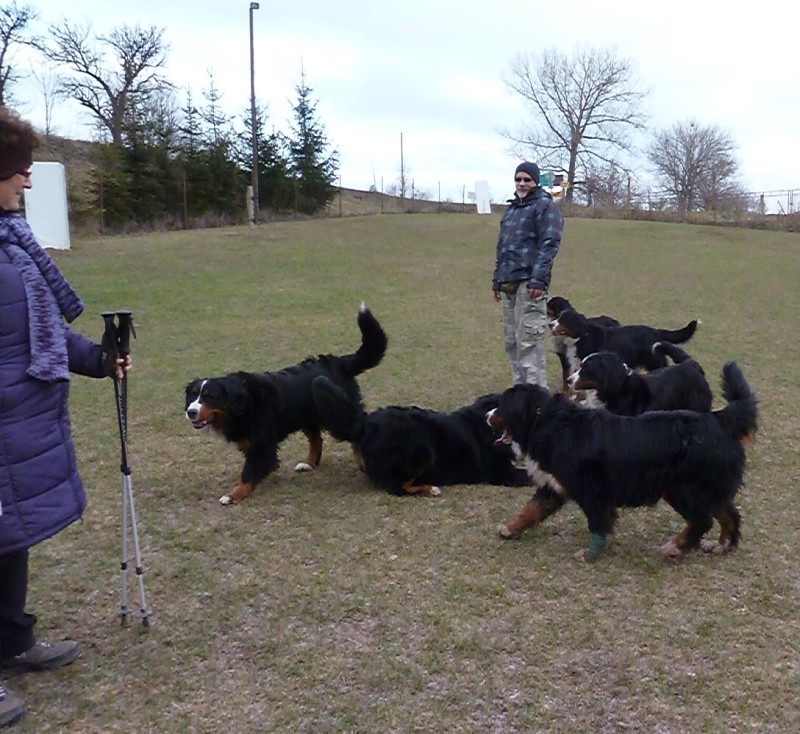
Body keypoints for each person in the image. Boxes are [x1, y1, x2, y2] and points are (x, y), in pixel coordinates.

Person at [0, 107, 131, 728]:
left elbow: (39, 334)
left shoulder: (13, 244)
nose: (27, 181)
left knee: (11, 537)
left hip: (18, 425)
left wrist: (99, 361)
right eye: (18, 170)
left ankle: (13, 643)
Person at [492, 161, 563, 387]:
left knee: (529, 344)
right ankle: (520, 393)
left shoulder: (545, 207)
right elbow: (502, 247)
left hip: (530, 284)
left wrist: (539, 279)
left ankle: (537, 399)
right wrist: (497, 280)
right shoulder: (511, 210)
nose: (522, 183)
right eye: (518, 179)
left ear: (535, 182)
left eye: (527, 179)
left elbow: (549, 244)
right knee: (512, 343)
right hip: (508, 283)